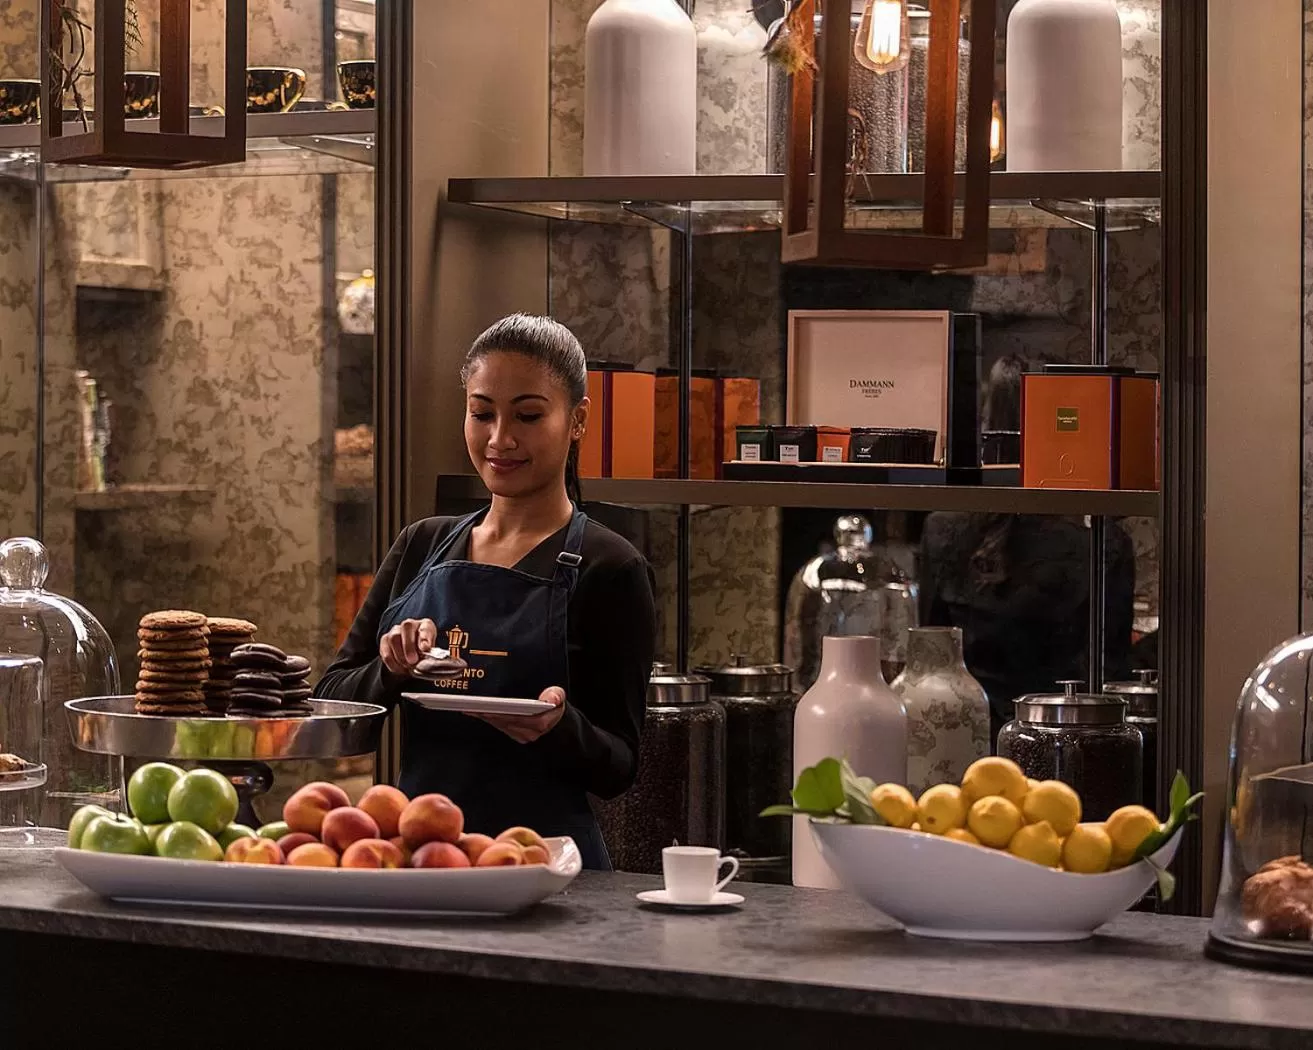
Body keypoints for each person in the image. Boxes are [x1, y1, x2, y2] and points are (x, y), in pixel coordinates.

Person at [317, 314, 657, 870]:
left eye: (527, 415)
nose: (500, 439)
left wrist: (558, 727)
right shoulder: (421, 545)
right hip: (423, 861)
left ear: (577, 421)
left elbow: (619, 767)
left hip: (547, 871)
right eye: (481, 414)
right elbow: (333, 708)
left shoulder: (611, 567)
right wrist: (390, 669)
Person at [918, 356, 1135, 738]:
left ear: (984, 428)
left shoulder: (941, 527)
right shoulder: (1102, 539)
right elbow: (1112, 676)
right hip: (1064, 739)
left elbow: (932, 661)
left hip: (959, 734)